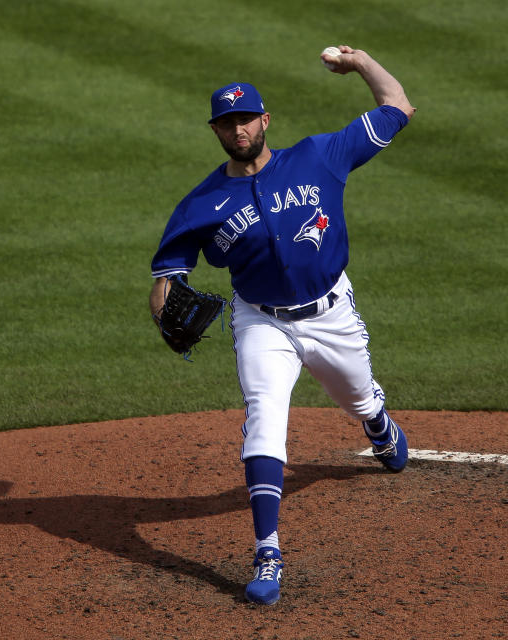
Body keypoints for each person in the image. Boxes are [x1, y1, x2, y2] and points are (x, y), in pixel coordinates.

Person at [148, 45, 415, 605]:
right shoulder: (201, 203)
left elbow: (398, 106)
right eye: (227, 122)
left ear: (266, 120)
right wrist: (162, 310)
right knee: (264, 418)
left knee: (359, 398)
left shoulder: (320, 156)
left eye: (246, 119)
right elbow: (166, 276)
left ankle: (377, 424)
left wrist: (363, 62)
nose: (238, 129)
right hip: (260, 323)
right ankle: (268, 551)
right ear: (216, 130)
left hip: (332, 315)